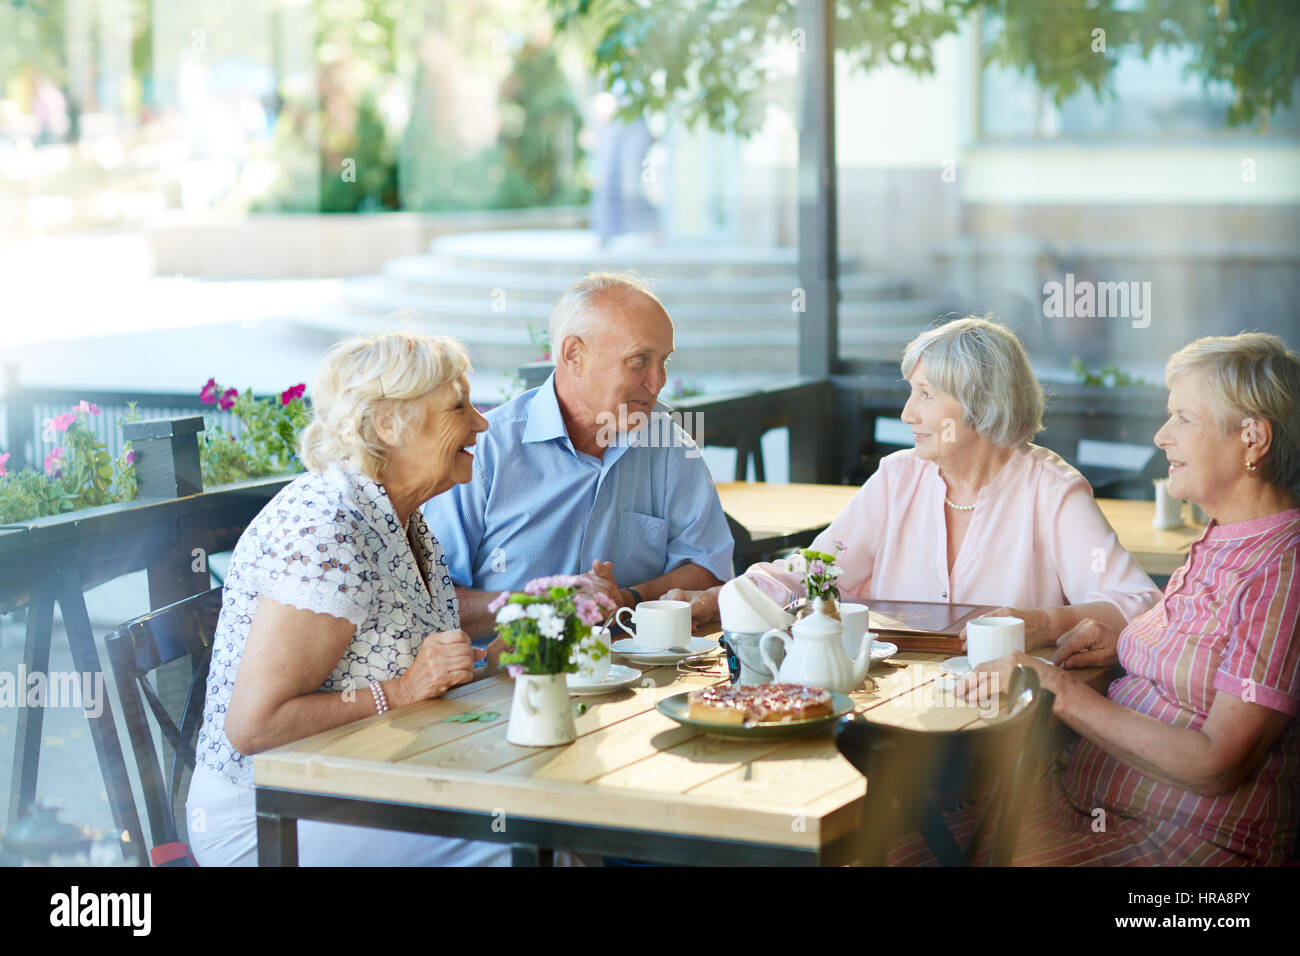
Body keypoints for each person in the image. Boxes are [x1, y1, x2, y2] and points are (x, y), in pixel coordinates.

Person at [945, 332, 1300, 866]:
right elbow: (1204, 656)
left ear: (1252, 438)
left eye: (1184, 417)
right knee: (877, 841)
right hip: (1088, 807)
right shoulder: (1225, 538)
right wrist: (1126, 643)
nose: (1161, 436)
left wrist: (1055, 688)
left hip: (1181, 845)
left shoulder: (1280, 568)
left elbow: (1215, 765)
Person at [187, 330, 519, 866]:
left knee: (545, 836)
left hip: (366, 780)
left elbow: (385, 665)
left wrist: (485, 664)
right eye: (459, 406)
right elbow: (255, 726)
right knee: (516, 853)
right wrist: (407, 689)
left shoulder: (401, 518)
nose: (481, 422)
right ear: (389, 424)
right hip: (269, 815)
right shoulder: (327, 527)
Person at [670, 316, 1160, 649]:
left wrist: (1044, 623)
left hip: (1007, 717)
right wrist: (717, 598)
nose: (908, 414)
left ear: (980, 403)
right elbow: (817, 569)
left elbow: (1137, 604)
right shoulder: (899, 476)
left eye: (926, 395)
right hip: (892, 697)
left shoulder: (1050, 490)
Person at [423, 272, 733, 635]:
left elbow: (706, 565)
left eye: (663, 361)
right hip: (509, 680)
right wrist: (544, 607)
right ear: (574, 355)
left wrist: (626, 599)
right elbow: (433, 602)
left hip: (633, 672)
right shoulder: (486, 450)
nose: (658, 381)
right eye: (639, 361)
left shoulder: (667, 442)